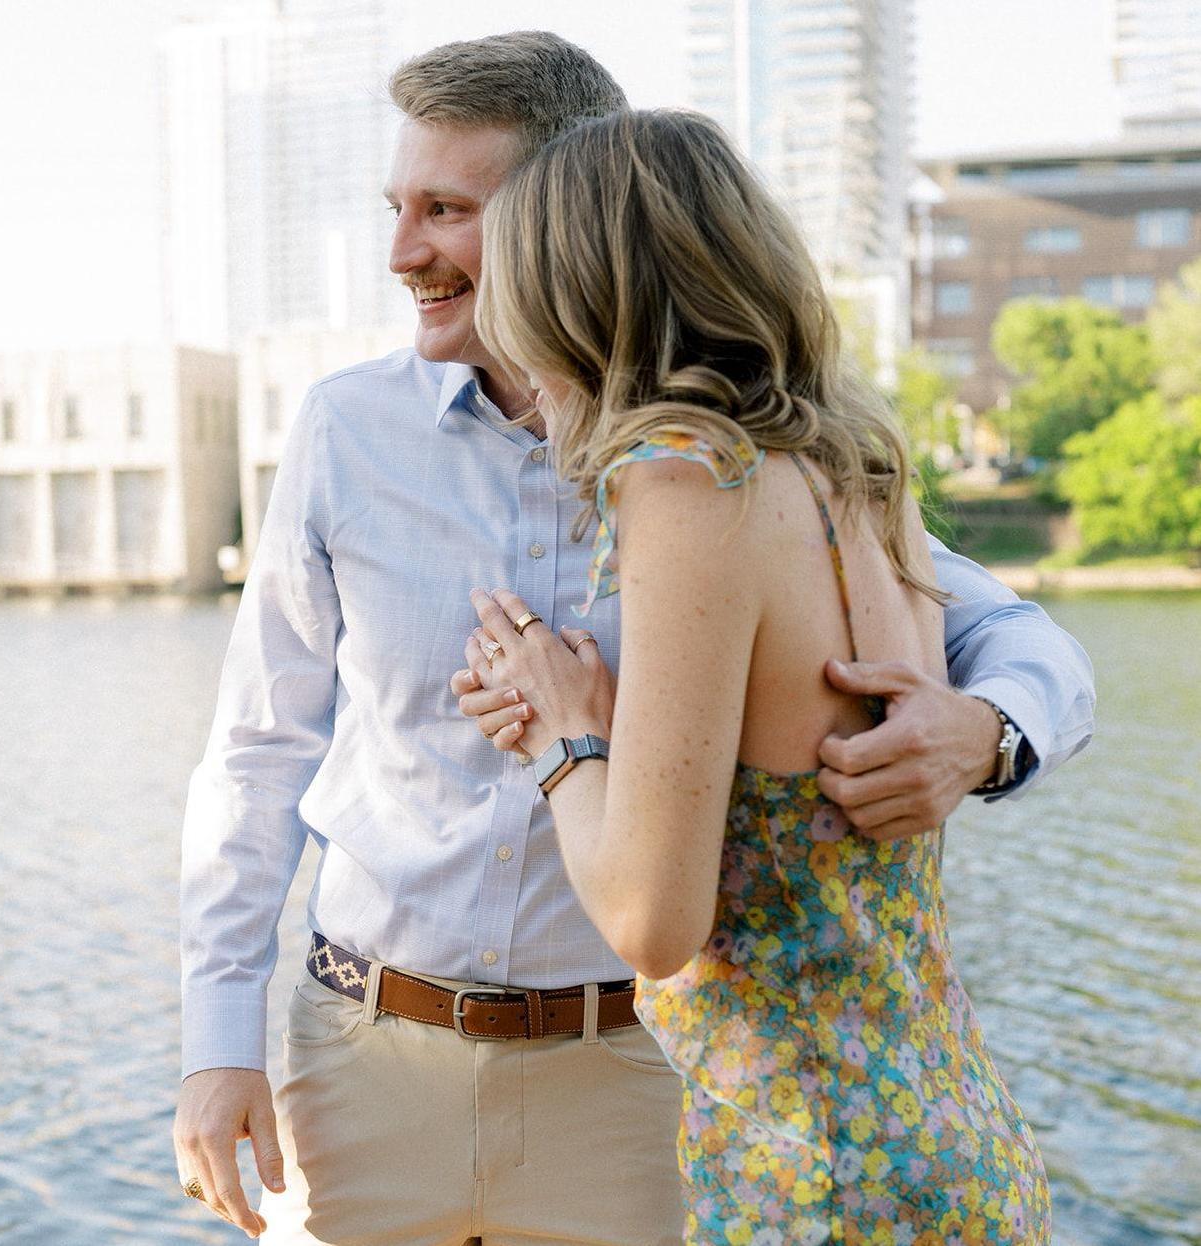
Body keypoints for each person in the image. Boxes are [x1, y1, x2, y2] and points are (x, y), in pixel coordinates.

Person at [172, 32, 1092, 1246]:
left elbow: (1016, 636)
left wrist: (990, 730)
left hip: (640, 1089)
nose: (405, 253)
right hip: (362, 1063)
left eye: (447, 209)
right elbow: (258, 750)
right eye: (396, 207)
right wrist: (215, 1038)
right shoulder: (348, 431)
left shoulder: (707, 473)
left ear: (573, 206)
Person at [464, 108, 1054, 1244]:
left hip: (808, 1180)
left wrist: (562, 737)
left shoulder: (685, 479)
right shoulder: (856, 464)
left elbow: (652, 921)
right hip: (950, 1137)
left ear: (573, 294)